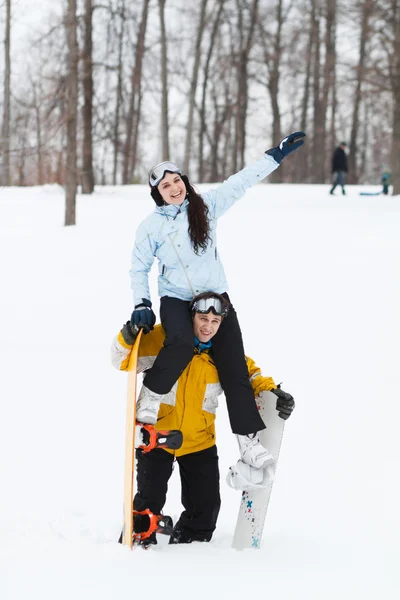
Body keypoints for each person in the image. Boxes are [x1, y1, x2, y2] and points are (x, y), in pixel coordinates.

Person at [128, 131, 304, 469]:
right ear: (157, 194)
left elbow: (241, 182)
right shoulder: (150, 227)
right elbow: (139, 268)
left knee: (233, 365)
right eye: (166, 186)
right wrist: (142, 303)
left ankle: (248, 442)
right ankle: (150, 397)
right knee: (178, 343)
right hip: (177, 297)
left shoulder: (206, 206)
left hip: (215, 298)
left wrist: (275, 156)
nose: (174, 188)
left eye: (176, 181)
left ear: (184, 181)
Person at [111, 292, 295, 546]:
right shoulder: (164, 340)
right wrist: (130, 334)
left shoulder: (225, 354)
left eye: (215, 321)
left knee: (206, 511)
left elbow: (250, 376)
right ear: (191, 316)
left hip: (199, 441)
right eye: (202, 318)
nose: (208, 327)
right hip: (158, 438)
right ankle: (140, 549)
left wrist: (275, 393)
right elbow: (120, 359)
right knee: (148, 505)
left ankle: (193, 552)